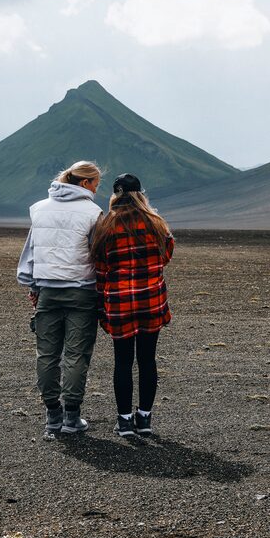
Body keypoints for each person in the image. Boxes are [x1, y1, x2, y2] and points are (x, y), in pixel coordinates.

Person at [16, 160, 104, 439]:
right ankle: (71, 417)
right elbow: (98, 255)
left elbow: (31, 251)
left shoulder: (39, 209)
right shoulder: (94, 213)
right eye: (95, 185)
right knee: (76, 355)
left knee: (47, 354)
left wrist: (33, 286)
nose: (97, 190)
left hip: (47, 292)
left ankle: (52, 415)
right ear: (85, 183)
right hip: (82, 292)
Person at [91, 173, 174, 437]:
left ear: (115, 195)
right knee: (148, 360)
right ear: (140, 194)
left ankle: (124, 421)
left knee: (123, 362)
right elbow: (166, 257)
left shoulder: (106, 226)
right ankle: (145, 418)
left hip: (120, 303)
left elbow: (101, 269)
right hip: (151, 301)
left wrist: (100, 303)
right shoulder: (157, 224)